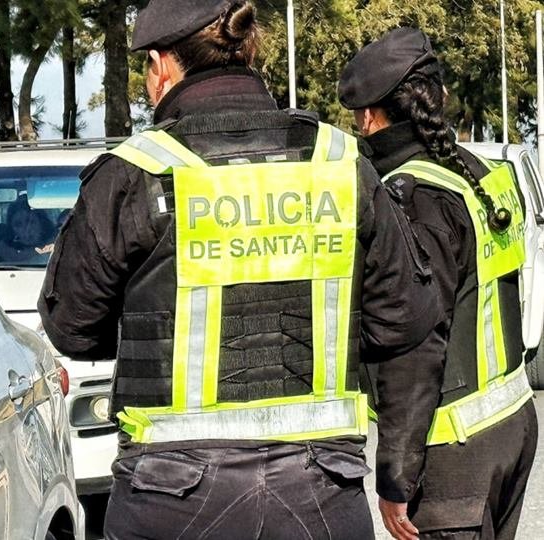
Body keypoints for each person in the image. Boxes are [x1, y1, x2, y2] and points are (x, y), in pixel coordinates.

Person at [38, 2, 440, 538]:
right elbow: (405, 320)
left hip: (170, 496)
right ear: (247, 52)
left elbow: (71, 327)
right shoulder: (340, 162)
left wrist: (162, 329)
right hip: (320, 487)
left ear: (161, 67)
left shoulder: (136, 173)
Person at [338, 27, 538, 540]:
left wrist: (396, 476)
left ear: (369, 117)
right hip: (512, 424)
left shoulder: (412, 196)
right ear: (439, 96)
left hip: (455, 452)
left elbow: (416, 347)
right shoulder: (480, 173)